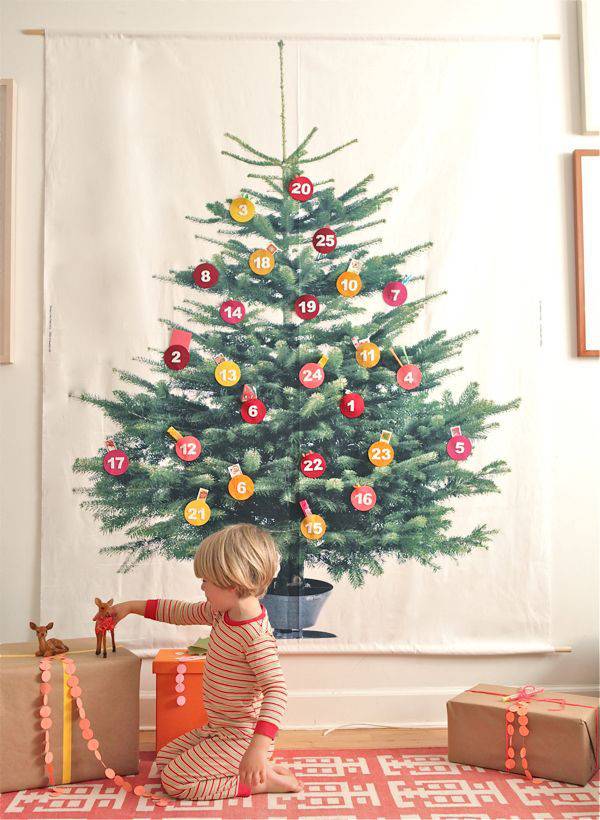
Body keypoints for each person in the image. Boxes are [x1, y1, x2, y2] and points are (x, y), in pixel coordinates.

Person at [100, 523, 301, 800]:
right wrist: (132, 607)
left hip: (242, 738)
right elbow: (180, 612)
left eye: (206, 580)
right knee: (165, 759)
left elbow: (277, 691)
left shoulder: (255, 637)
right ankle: (256, 770)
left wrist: (257, 748)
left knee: (175, 781)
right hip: (218, 730)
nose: (202, 586)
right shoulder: (222, 612)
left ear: (232, 583)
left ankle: (257, 782)